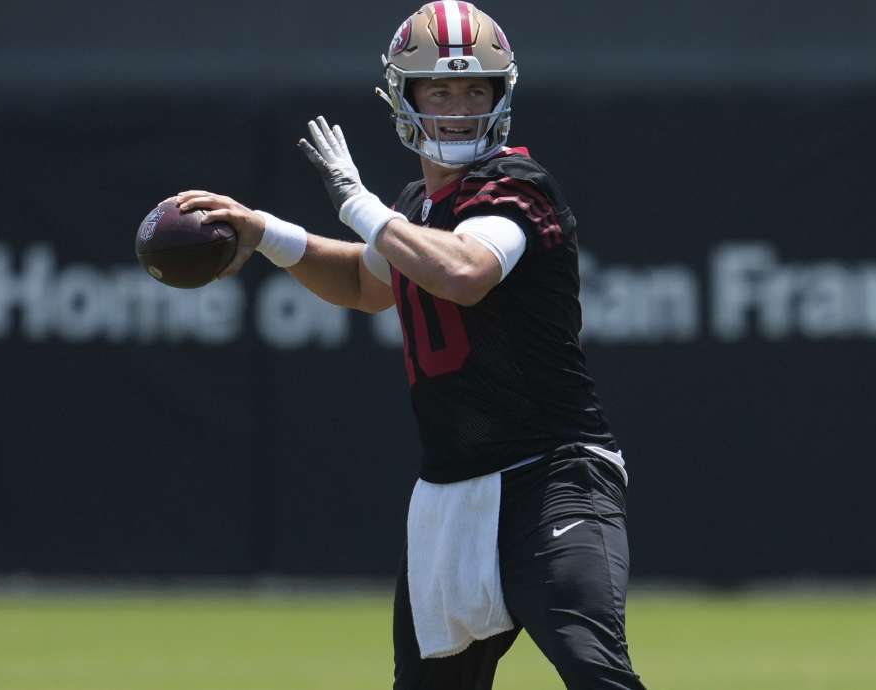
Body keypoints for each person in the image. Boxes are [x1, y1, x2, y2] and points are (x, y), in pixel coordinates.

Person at [173, 3, 645, 688]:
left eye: (475, 89)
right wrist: (266, 232)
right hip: (450, 495)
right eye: (440, 89)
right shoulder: (416, 211)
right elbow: (367, 283)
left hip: (555, 477)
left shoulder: (516, 185)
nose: (458, 107)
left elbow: (462, 272)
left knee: (596, 671)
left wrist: (355, 201)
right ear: (405, 95)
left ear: (501, 96)